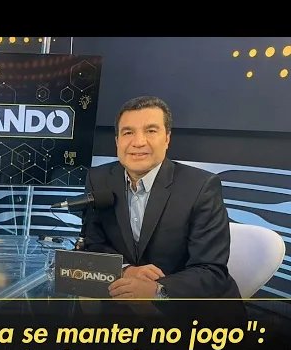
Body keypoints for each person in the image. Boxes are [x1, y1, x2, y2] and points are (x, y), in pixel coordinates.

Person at [82, 96, 241, 300]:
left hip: (189, 308)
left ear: (167, 139)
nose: (138, 142)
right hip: (122, 301)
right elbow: (93, 245)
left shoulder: (201, 187)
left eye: (150, 131)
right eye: (128, 132)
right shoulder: (98, 179)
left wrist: (157, 291)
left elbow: (210, 270)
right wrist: (126, 270)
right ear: (117, 141)